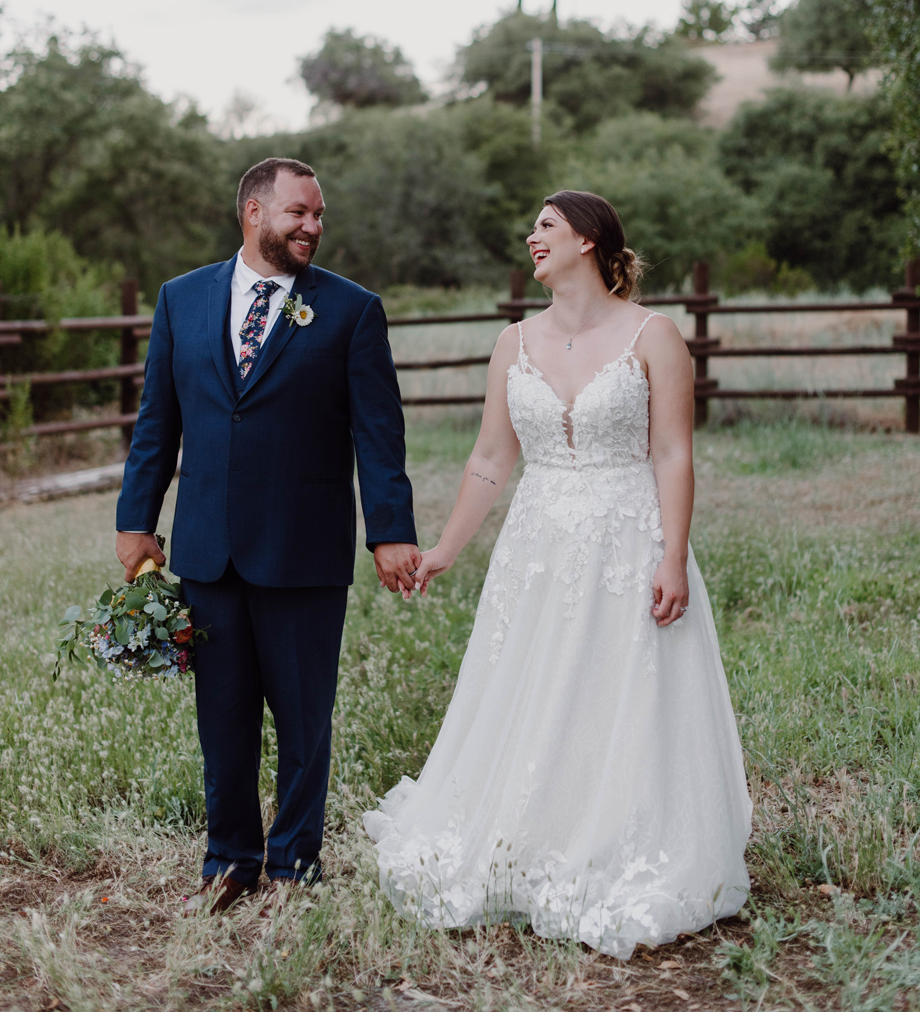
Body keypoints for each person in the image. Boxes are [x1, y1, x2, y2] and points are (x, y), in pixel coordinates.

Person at [364, 190, 751, 958]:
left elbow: (674, 452)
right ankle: (530, 833)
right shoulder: (514, 342)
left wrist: (673, 554)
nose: (531, 238)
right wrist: (445, 548)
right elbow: (490, 457)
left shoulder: (654, 334)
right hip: (537, 546)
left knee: (620, 688)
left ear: (588, 240)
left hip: (628, 540)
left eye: (545, 225)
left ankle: (618, 838)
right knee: (535, 684)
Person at [116, 157, 419, 914]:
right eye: (298, 213)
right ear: (254, 213)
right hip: (207, 549)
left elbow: (379, 433)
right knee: (222, 717)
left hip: (303, 548)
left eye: (318, 215)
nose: (312, 226)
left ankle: (292, 866)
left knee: (303, 719)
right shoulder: (181, 298)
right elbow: (157, 420)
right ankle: (229, 861)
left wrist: (390, 530)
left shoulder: (351, 310)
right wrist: (135, 519)